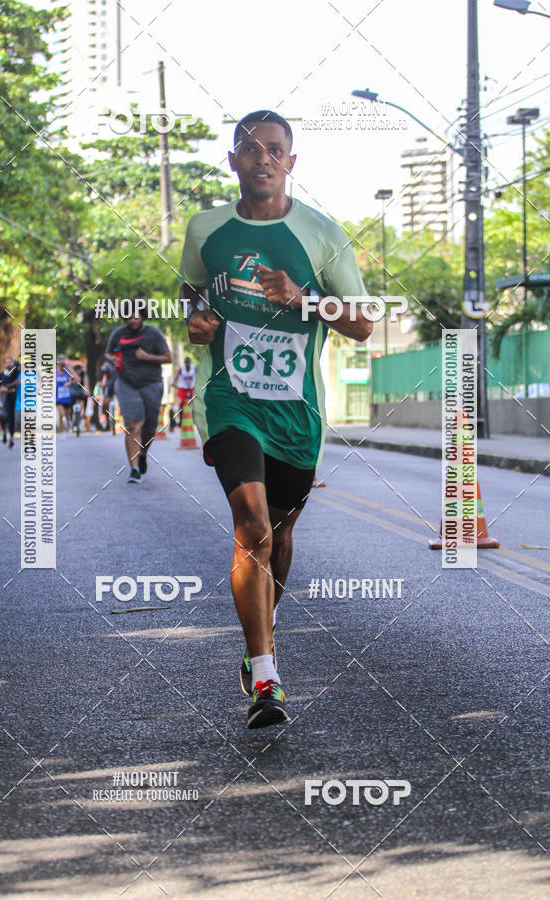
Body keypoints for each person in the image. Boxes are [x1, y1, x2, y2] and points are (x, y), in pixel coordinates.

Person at [180, 110, 371, 729]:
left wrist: (305, 299)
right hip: (230, 400)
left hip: (295, 412)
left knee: (279, 537)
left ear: (291, 161)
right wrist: (196, 319)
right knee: (253, 526)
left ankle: (259, 631)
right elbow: (191, 291)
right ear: (232, 160)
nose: (261, 158)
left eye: (273, 149)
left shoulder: (323, 234)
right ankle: (266, 676)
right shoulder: (205, 229)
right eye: (249, 148)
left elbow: (363, 324)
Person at [105, 311, 172, 483]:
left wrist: (147, 356)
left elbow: (168, 358)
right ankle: (134, 469)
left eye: (136, 316)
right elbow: (107, 353)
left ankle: (142, 453)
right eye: (129, 317)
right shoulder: (118, 333)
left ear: (143, 316)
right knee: (133, 426)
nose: (133, 320)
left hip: (151, 384)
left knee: (149, 429)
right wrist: (112, 359)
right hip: (126, 383)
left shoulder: (154, 334)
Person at [0, 356, 20, 449]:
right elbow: (1, 388)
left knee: (11, 419)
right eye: (6, 362)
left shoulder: (16, 373)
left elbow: (18, 382)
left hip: (14, 399)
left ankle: (11, 439)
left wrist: (8, 388)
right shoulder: (2, 375)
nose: (8, 364)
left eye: (9, 362)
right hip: (4, 399)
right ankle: (4, 432)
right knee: (2, 418)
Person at [172, 356, 196, 424]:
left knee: (194, 403)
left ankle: (194, 420)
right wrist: (173, 383)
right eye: (186, 362)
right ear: (184, 363)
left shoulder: (194, 368)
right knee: (180, 404)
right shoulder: (181, 369)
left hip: (191, 388)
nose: (187, 363)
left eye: (188, 362)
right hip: (183, 388)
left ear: (190, 362)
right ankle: (180, 421)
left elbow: (199, 376)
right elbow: (176, 377)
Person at [56, 355, 71, 433]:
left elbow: (76, 379)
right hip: (58, 397)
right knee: (61, 414)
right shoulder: (54, 372)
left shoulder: (68, 371)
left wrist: (69, 382)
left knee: (67, 415)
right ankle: (63, 432)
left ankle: (68, 422)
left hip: (67, 397)